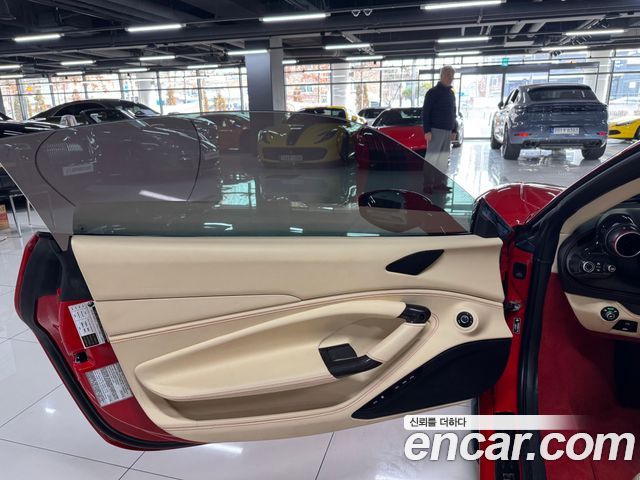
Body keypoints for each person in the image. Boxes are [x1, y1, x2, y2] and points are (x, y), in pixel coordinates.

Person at [422, 65, 458, 192]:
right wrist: (427, 130)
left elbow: (454, 113)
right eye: (448, 75)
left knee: (443, 159)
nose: (450, 78)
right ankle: (427, 185)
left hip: (447, 131)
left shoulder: (451, 94)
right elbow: (425, 112)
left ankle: (439, 183)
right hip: (435, 130)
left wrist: (454, 130)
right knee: (432, 158)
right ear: (441, 75)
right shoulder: (432, 92)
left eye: (452, 75)